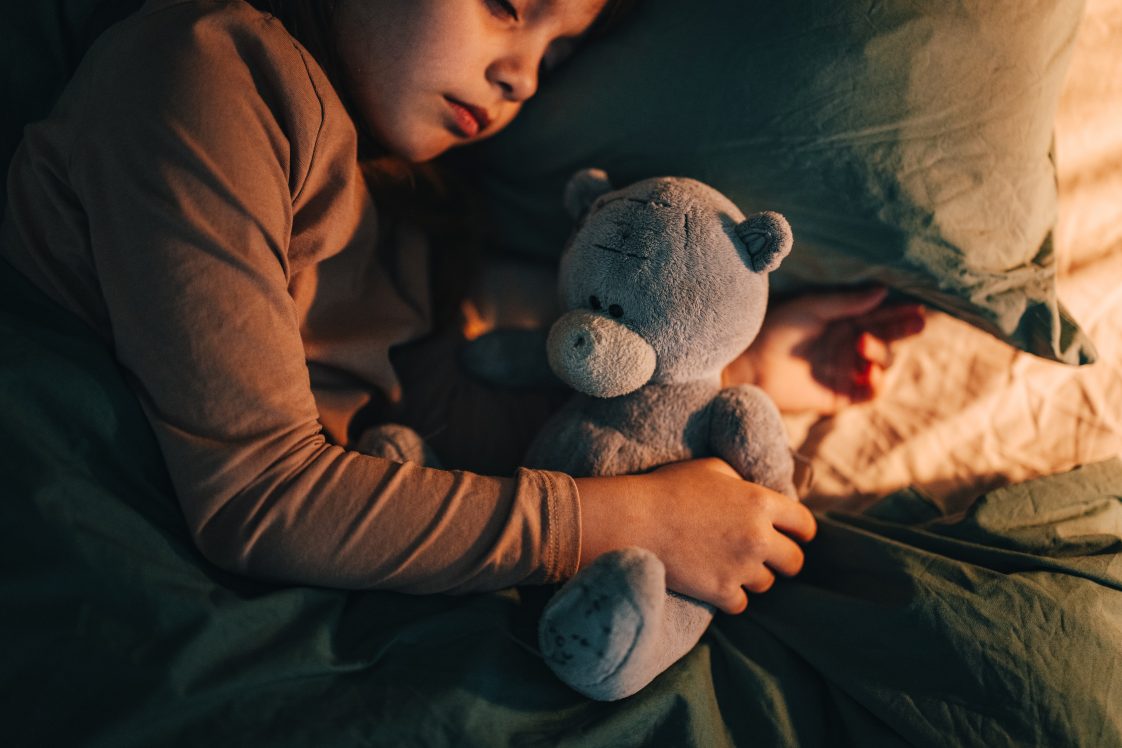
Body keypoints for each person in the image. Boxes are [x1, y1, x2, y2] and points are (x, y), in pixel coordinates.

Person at [0, 0, 924, 617]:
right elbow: (259, 497)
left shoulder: (404, 188)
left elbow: (456, 402)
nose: (524, 77)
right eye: (506, 5)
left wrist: (727, 370)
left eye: (557, 52)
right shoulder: (204, 72)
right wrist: (628, 523)